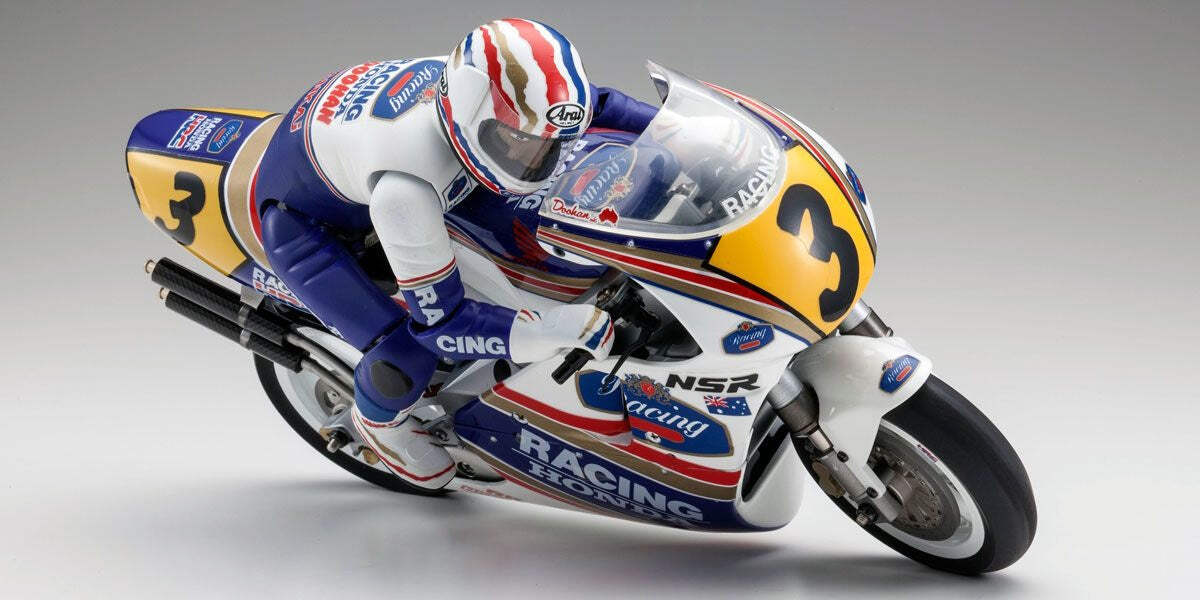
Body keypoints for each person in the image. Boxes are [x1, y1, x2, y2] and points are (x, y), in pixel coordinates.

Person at [252, 18, 658, 489]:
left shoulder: (498, 100)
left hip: (345, 134)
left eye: (554, 144)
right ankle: (380, 425)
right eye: (522, 144)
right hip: (299, 218)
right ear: (474, 123)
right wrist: (547, 330)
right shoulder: (406, 186)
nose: (544, 161)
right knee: (405, 354)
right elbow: (442, 326)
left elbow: (599, 107)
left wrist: (692, 134)